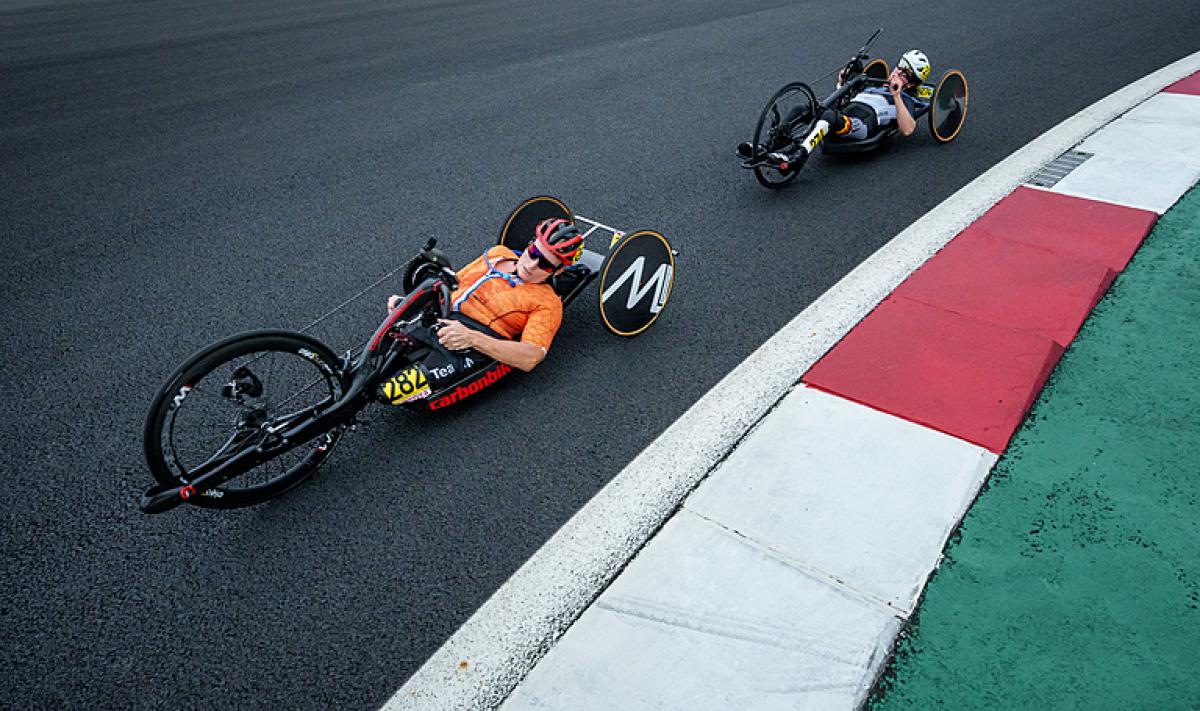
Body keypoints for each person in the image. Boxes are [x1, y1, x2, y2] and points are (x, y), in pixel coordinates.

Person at [380, 218, 584, 402]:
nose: (531, 265)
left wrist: (472, 338)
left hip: (469, 344)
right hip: (438, 316)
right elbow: (454, 284)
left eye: (546, 265)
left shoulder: (548, 303)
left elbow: (530, 357)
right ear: (530, 245)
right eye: (534, 253)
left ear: (559, 271)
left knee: (389, 392)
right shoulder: (497, 254)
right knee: (374, 360)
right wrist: (412, 302)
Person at [738, 49, 931, 170]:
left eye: (905, 73)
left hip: (862, 125)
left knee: (828, 117)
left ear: (912, 82)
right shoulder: (873, 84)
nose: (897, 72)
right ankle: (766, 147)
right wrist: (842, 83)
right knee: (802, 109)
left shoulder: (906, 99)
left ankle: (796, 157)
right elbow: (843, 100)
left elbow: (907, 129)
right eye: (899, 67)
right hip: (846, 112)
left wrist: (897, 94)